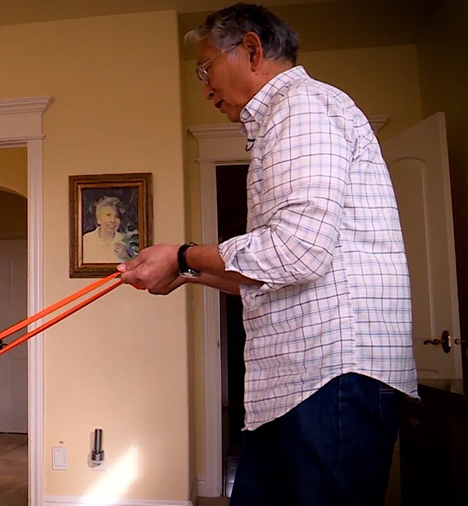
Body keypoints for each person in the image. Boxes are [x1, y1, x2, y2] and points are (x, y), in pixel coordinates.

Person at [119, 4, 417, 505]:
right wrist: (185, 270)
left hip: (329, 375)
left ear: (252, 50)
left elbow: (297, 252)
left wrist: (184, 254)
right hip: (299, 381)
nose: (205, 88)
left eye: (205, 69)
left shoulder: (301, 108)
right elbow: (278, 271)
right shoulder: (287, 118)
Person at [82, 196, 127, 263]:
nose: (113, 220)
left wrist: (126, 257)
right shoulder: (86, 240)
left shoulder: (125, 242)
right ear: (98, 219)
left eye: (117, 216)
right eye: (108, 215)